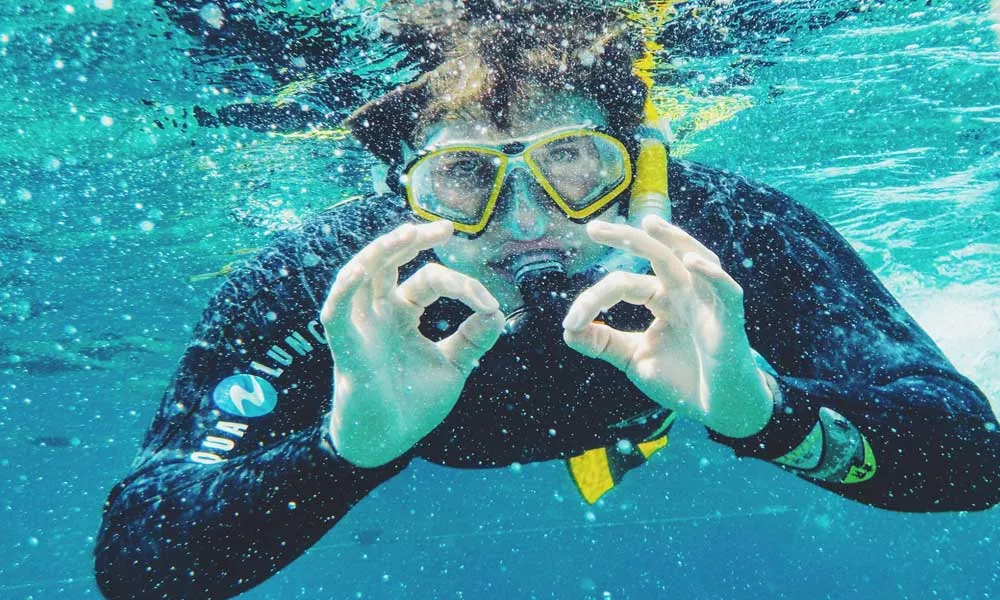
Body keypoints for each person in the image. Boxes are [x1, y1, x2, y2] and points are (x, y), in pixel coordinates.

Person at [94, 1, 1000, 598]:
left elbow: (973, 458)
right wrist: (344, 450)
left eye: (570, 159)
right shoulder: (322, 285)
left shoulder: (726, 233)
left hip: (662, 408)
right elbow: (136, 559)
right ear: (401, 191)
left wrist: (767, 412)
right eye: (463, 175)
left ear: (636, 162)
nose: (525, 220)